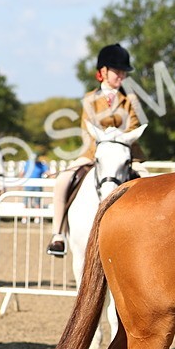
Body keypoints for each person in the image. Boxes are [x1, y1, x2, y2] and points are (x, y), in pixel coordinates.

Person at [46, 43, 146, 256]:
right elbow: (87, 129)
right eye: (117, 71)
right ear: (103, 72)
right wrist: (99, 150)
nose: (121, 76)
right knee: (62, 180)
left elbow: (134, 126)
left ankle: (151, 234)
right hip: (94, 152)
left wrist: (118, 142)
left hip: (125, 153)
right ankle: (58, 235)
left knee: (150, 181)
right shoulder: (90, 99)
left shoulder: (130, 99)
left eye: (123, 72)